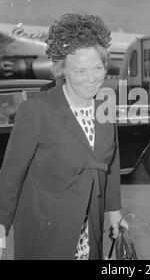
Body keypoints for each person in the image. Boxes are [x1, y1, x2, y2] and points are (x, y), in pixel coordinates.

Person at [0, 13, 128, 260]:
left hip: (89, 230)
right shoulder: (37, 110)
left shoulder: (104, 107)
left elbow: (110, 165)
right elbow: (10, 176)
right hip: (46, 232)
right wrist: (1, 227)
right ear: (63, 71)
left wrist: (114, 212)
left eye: (97, 68)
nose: (91, 79)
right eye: (80, 71)